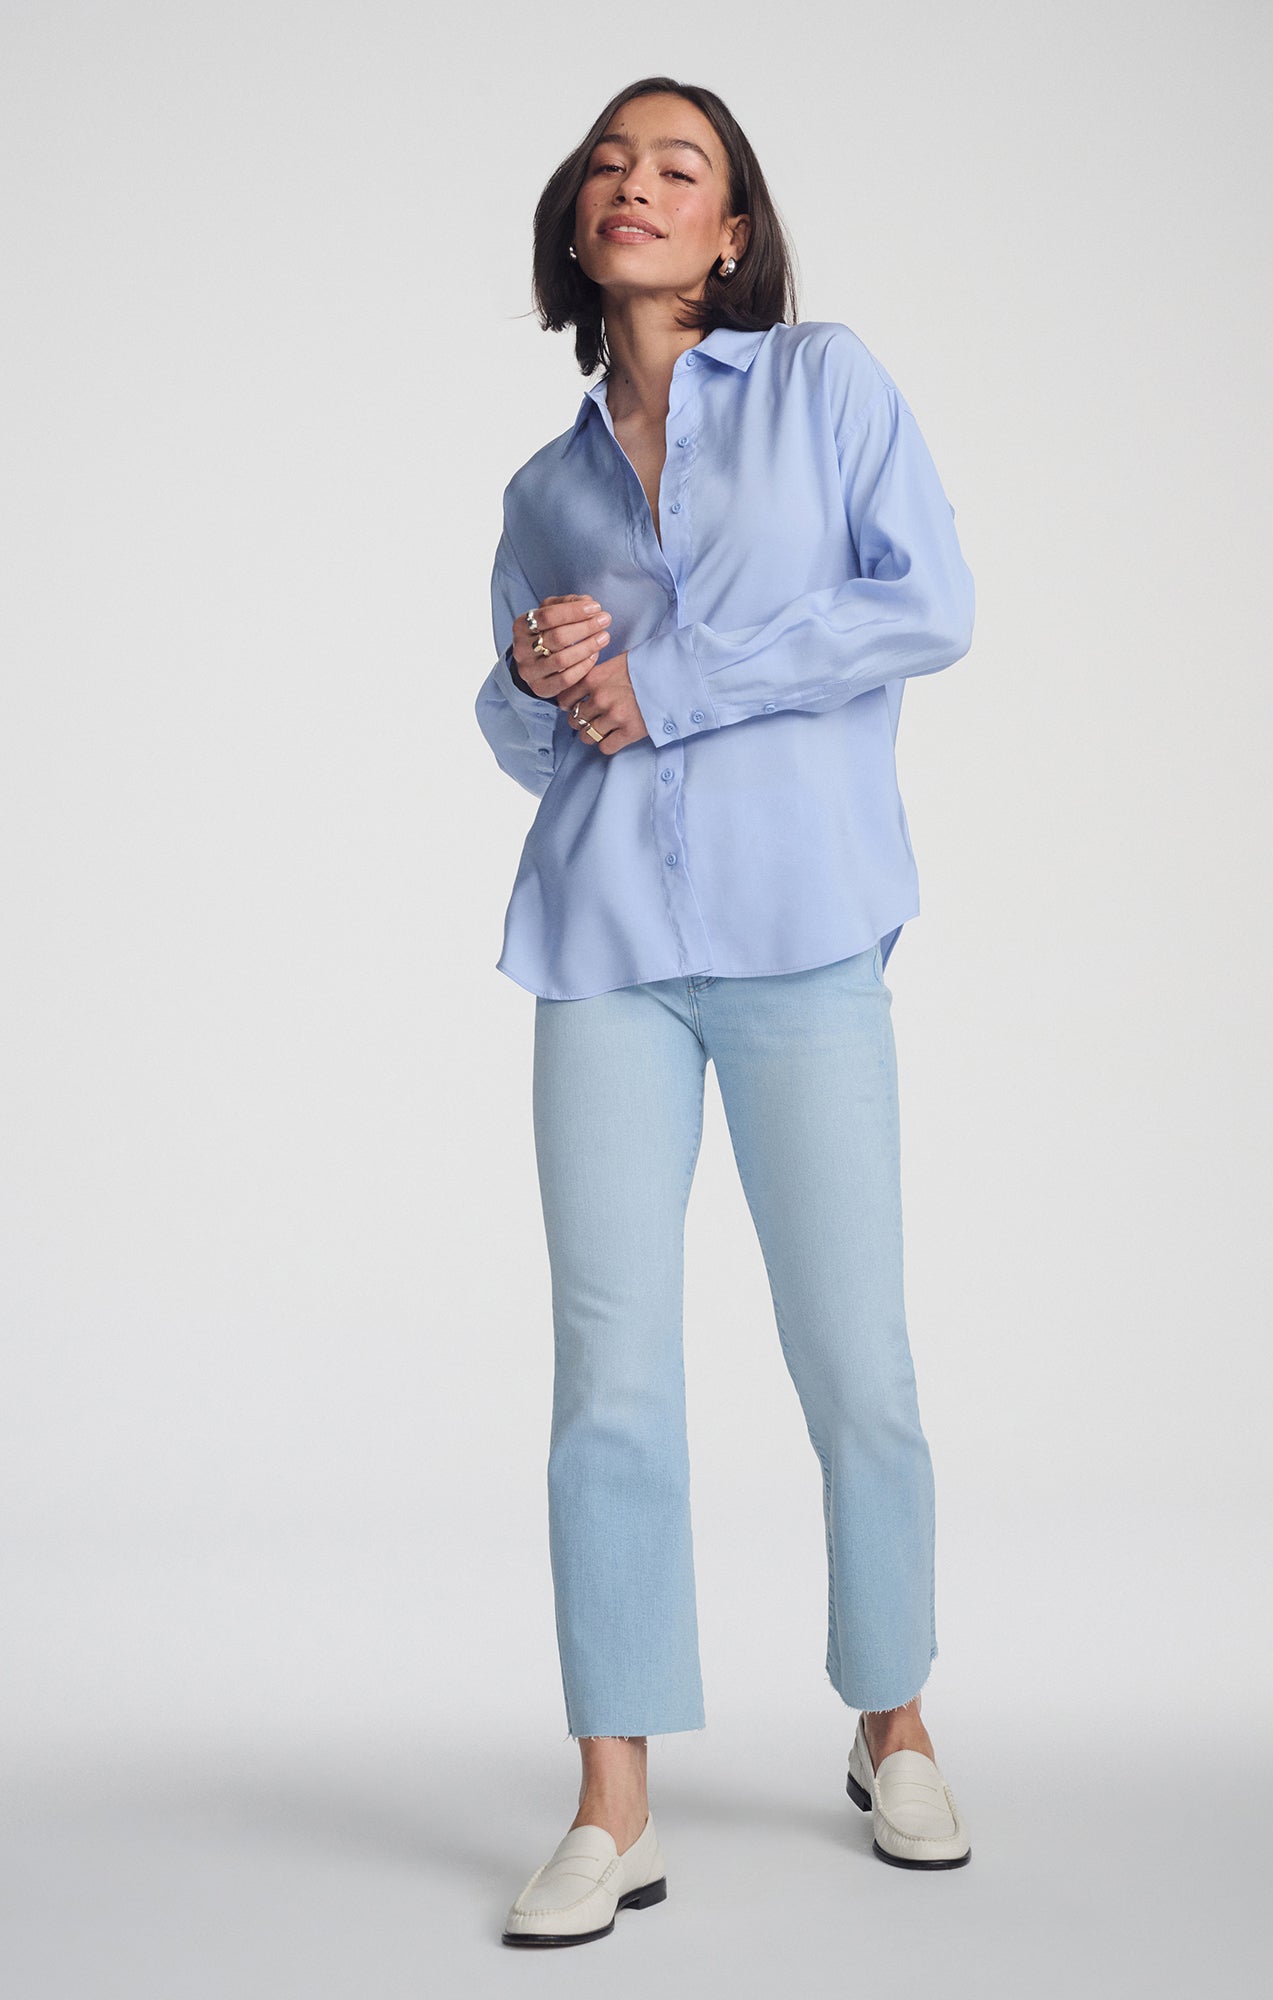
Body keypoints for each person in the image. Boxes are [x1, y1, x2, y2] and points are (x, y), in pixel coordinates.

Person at [474, 75, 976, 1949]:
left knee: (854, 1355)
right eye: (609, 163)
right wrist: (534, 678)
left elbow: (925, 606)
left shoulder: (824, 385)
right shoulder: (544, 488)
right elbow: (525, 743)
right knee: (608, 1378)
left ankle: (892, 1720)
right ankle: (612, 1801)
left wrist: (670, 678)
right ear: (576, 219)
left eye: (676, 166)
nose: (636, 184)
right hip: (601, 947)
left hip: (800, 936)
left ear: (731, 229)